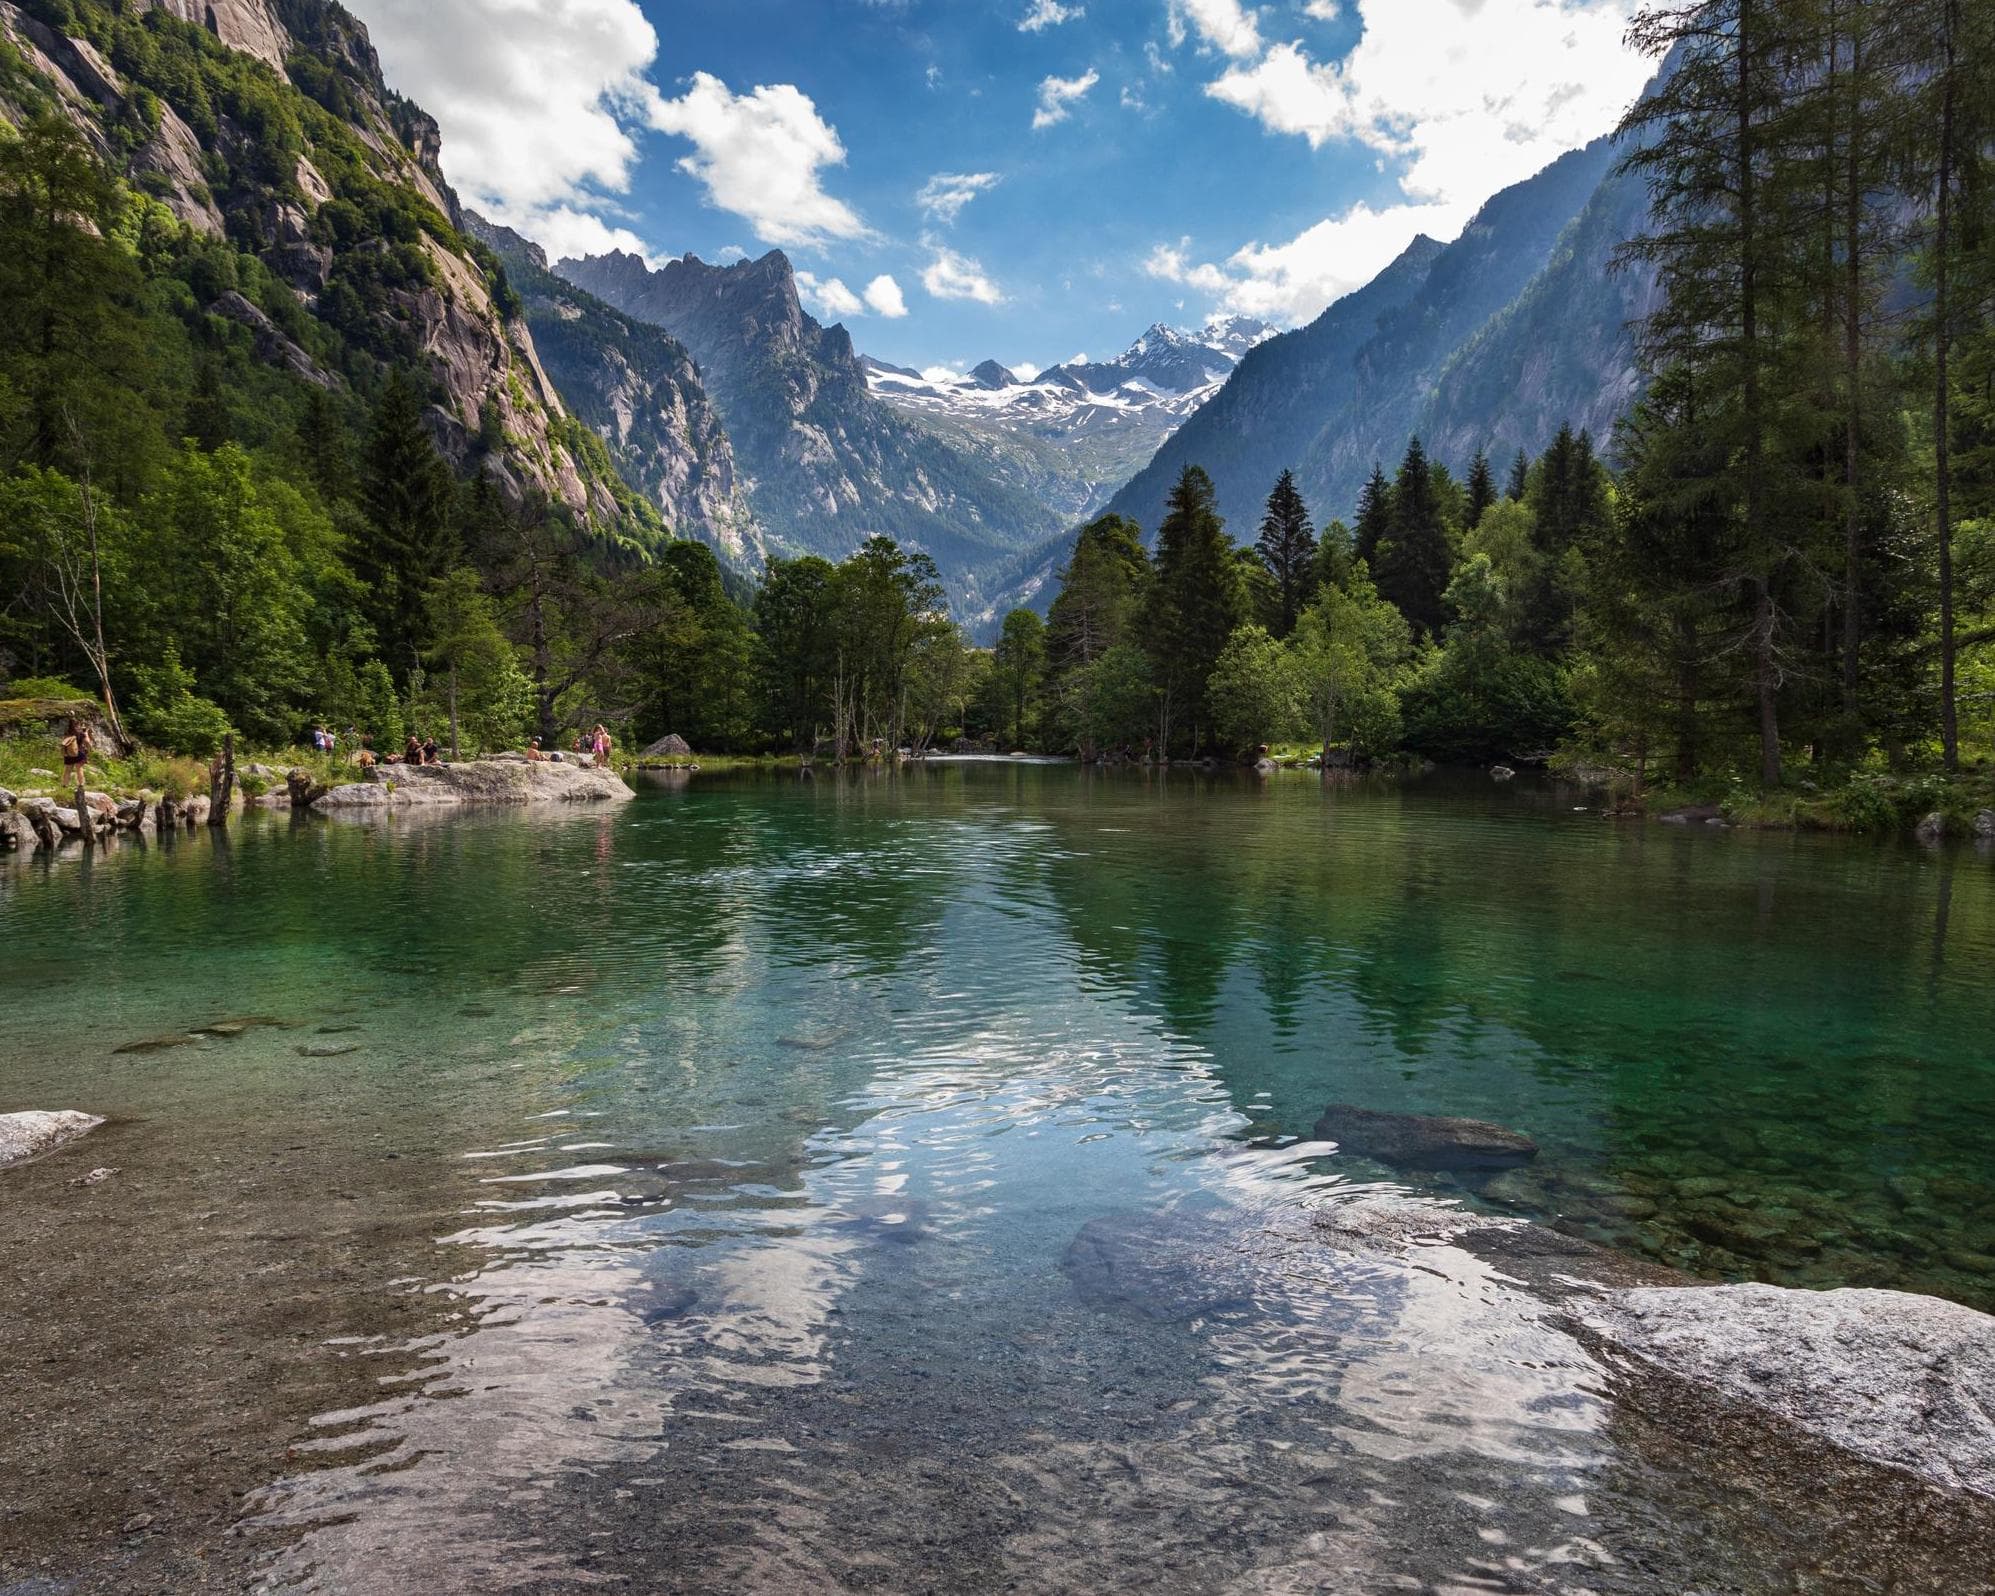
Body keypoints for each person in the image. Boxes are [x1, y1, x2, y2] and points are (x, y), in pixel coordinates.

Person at [60, 718, 92, 788]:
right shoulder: (81, 733)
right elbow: (88, 742)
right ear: (78, 725)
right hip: (79, 752)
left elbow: (64, 742)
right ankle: (81, 785)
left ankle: (64, 785)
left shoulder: (67, 733)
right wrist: (86, 733)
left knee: (67, 770)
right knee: (79, 769)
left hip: (69, 754)